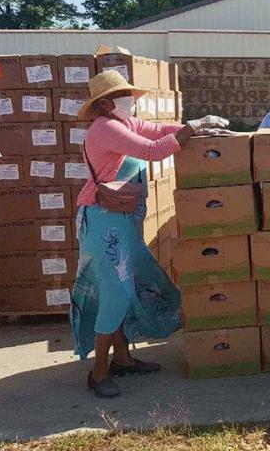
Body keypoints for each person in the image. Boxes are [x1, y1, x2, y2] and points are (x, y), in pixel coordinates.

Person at [72, 70, 229, 398]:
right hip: (104, 222)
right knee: (114, 293)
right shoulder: (107, 128)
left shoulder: (125, 124)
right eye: (122, 96)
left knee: (124, 288)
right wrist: (191, 130)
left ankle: (124, 359)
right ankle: (98, 371)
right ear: (104, 103)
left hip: (120, 220)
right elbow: (153, 150)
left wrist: (197, 126)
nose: (130, 100)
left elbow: (158, 130)